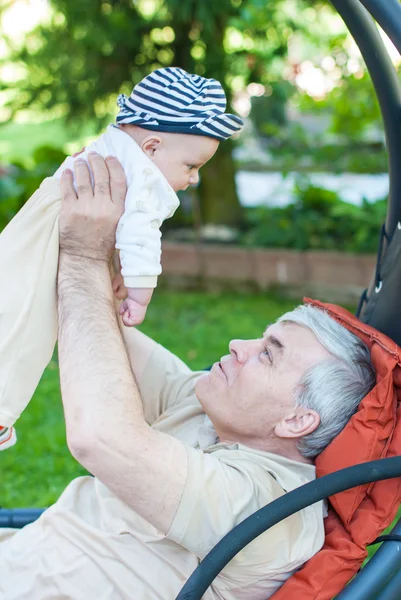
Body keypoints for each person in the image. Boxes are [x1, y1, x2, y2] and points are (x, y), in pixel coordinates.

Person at [0, 156, 376, 599]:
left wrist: (84, 256)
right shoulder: (208, 409)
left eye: (268, 355)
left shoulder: (267, 507)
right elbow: (87, 330)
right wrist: (101, 270)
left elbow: (99, 437)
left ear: (296, 420)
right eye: (261, 337)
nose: (239, 344)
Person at [0, 66, 243, 450]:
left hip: (34, 226)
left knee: (9, 301)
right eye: (191, 166)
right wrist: (137, 291)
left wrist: (112, 263)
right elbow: (140, 236)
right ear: (152, 148)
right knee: (29, 323)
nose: (194, 179)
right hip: (53, 239)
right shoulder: (145, 178)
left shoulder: (115, 147)